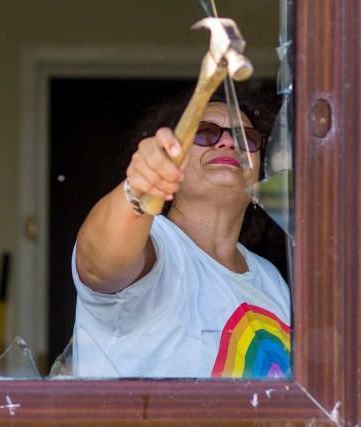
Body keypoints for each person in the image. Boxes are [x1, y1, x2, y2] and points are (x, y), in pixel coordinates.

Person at [70, 97, 291, 379]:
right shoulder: (156, 244)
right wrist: (138, 187)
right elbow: (98, 265)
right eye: (205, 132)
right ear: (174, 159)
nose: (227, 143)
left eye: (245, 138)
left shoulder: (270, 279)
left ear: (259, 171)